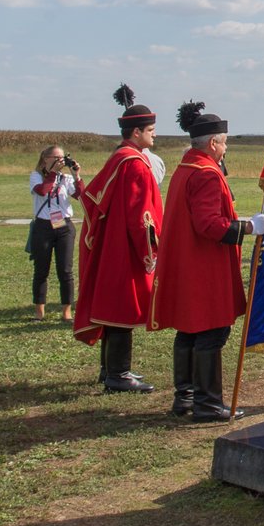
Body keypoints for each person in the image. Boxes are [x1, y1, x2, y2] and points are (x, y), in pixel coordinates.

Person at [149, 102, 264, 421]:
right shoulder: (206, 174)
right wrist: (249, 227)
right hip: (204, 266)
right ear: (214, 143)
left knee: (189, 330)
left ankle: (186, 397)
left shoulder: (186, 168)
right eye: (225, 142)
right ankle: (207, 403)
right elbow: (208, 225)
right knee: (212, 332)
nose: (226, 148)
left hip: (188, 263)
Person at [74, 84, 165, 393]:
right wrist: (150, 251)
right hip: (125, 248)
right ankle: (118, 373)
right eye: (150, 130)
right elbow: (142, 216)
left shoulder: (120, 158)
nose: (155, 135)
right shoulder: (135, 164)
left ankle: (109, 370)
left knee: (113, 306)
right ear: (136, 132)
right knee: (123, 307)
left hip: (112, 244)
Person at [28, 144, 82, 321]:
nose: (61, 161)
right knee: (41, 270)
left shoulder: (65, 178)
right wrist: (52, 173)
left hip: (64, 226)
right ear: (46, 159)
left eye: (62, 158)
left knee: (65, 270)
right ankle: (39, 311)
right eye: (56, 158)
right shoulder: (36, 176)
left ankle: (67, 311)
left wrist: (76, 175)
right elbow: (42, 191)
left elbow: (81, 195)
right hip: (43, 226)